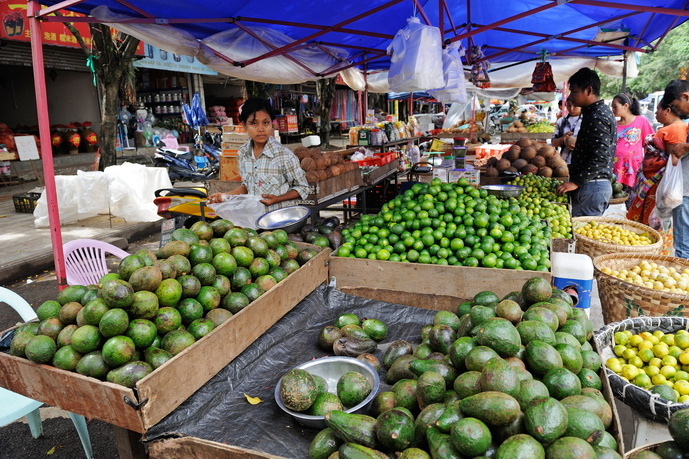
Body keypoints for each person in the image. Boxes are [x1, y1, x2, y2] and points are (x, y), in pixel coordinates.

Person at [207, 98, 310, 211]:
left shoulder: (284, 155)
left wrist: (278, 198)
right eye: (254, 123)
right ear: (245, 126)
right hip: (253, 217)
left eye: (266, 123)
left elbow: (303, 187)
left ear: (272, 124)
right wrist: (225, 196)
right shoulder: (243, 153)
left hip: (281, 219)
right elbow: (249, 186)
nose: (261, 129)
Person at [556, 68, 616, 217]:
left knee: (582, 237)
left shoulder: (597, 116)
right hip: (592, 186)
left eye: (574, 91)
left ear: (589, 90)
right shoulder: (595, 112)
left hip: (592, 187)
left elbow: (601, 157)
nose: (571, 96)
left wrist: (576, 182)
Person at [627, 99, 687, 226]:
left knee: (651, 222)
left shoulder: (676, 128)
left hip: (658, 186)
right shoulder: (669, 127)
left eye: (658, 109)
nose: (655, 112)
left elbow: (673, 159)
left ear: (668, 111)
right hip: (650, 184)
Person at [660, 79, 689, 259]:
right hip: (684, 189)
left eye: (676, 106)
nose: (677, 111)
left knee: (684, 247)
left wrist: (686, 147)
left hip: (687, 192)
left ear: (685, 96)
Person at [611, 92, 655, 195]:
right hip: (616, 168)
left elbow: (650, 143)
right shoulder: (614, 124)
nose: (613, 109)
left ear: (625, 106)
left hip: (633, 168)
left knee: (631, 199)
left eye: (615, 107)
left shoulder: (641, 121)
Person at [551, 96, 582, 164]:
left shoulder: (587, 121)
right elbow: (553, 143)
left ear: (580, 106)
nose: (571, 108)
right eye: (569, 105)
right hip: (564, 161)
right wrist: (563, 138)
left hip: (581, 162)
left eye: (575, 106)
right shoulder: (561, 121)